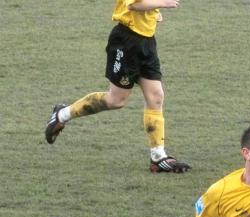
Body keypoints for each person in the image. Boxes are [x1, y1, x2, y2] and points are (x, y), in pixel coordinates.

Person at [44, 0, 190, 173]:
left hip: (146, 42)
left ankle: (158, 157)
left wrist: (153, 12)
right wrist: (164, 3)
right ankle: (61, 114)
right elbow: (134, 5)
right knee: (116, 100)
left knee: (156, 96)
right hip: (126, 42)